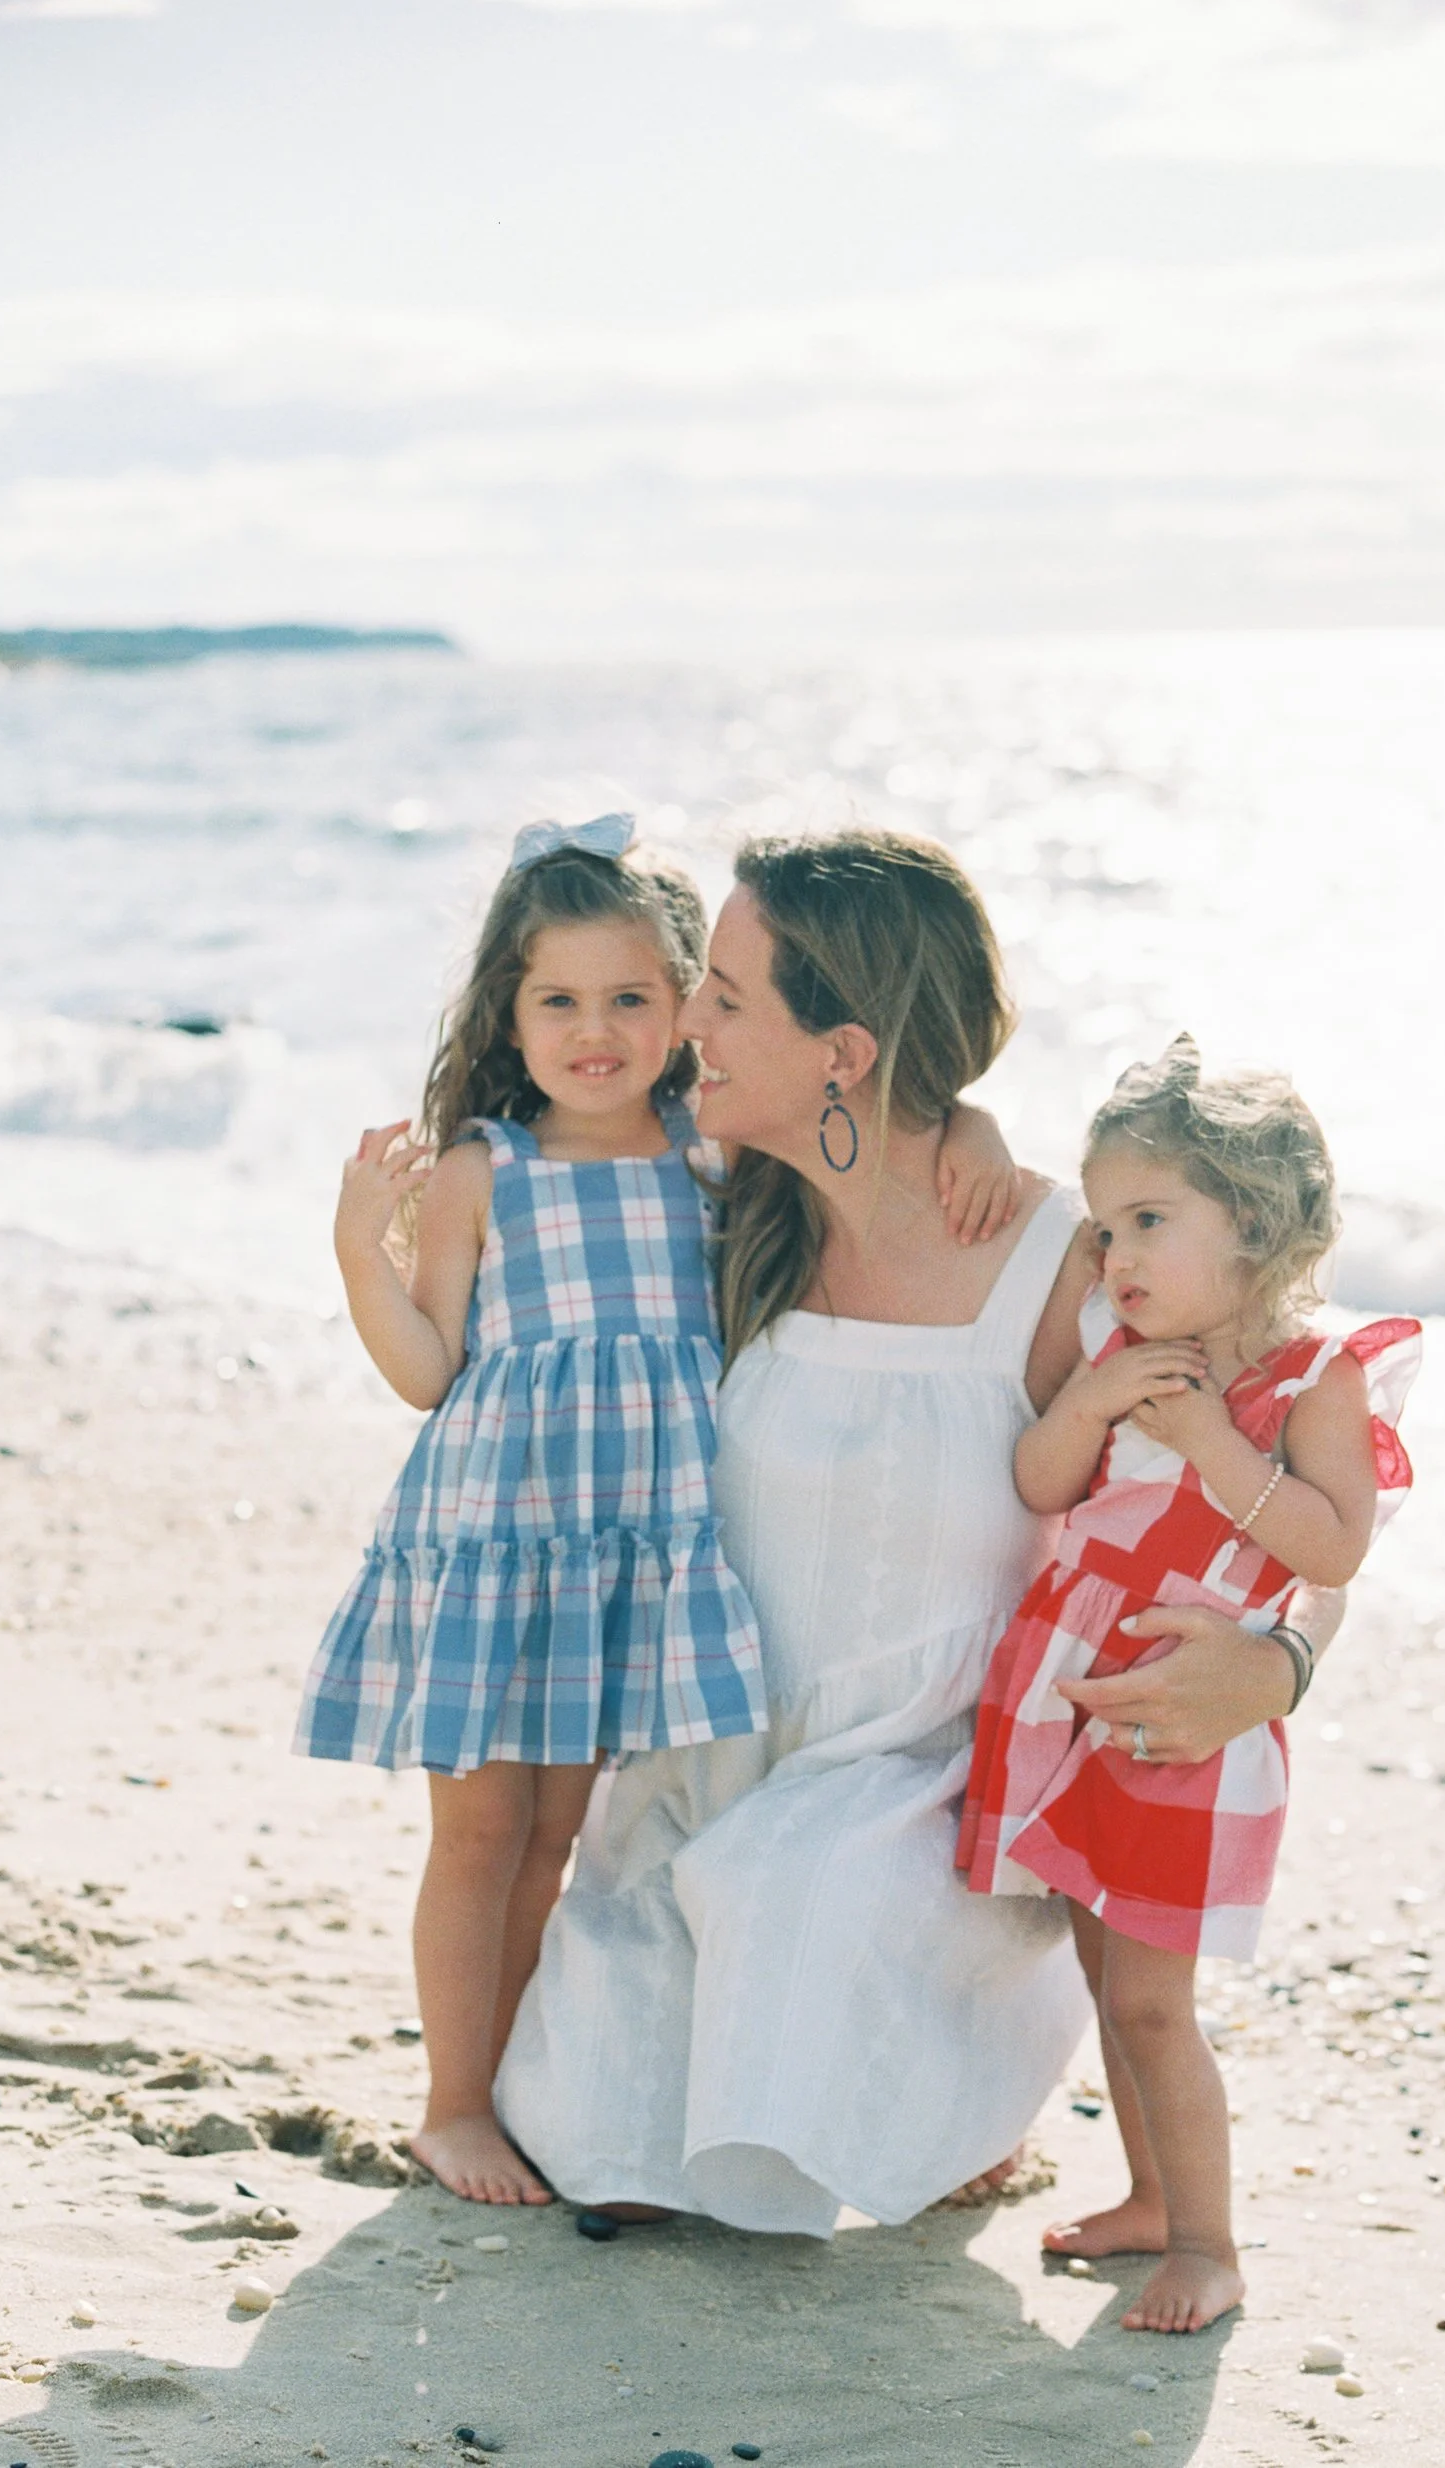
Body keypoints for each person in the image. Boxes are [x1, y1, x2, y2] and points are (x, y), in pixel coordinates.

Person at [494, 836, 1352, 2236]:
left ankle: (952, 2073)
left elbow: (1302, 1484)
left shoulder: (1064, 1260)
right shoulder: (711, 1220)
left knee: (793, 1910)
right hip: (711, 1772)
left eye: (721, 996)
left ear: (841, 1051)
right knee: (602, 2135)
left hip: (936, 1803)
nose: (681, 1024)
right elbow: (507, 1115)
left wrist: (1279, 1665)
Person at [296, 812, 1016, 2206]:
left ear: (690, 1004)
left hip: (629, 1563)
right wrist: (356, 1254)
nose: (597, 1030)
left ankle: (510, 2086)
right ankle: (452, 2104)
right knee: (483, 1835)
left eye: (633, 997)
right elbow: (428, 1373)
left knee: (563, 1839)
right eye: (559, 999)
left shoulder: (711, 1153)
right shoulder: (481, 1170)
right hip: (504, 1551)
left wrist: (974, 1121)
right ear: (508, 1011)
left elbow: (866, 1123)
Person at [959, 1038, 1421, 2330]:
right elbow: (1041, 1485)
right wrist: (1095, 1396)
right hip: (1075, 1686)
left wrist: (1215, 1441)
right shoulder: (1118, 1341)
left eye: (1150, 1221)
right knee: (1110, 1981)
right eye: (1107, 1229)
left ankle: (1210, 2246)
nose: (1118, 1258)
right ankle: (1151, 2196)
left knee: (1159, 2003)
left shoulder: (1316, 1373)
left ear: (1258, 1222)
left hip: (1186, 1723)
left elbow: (1331, 1546)